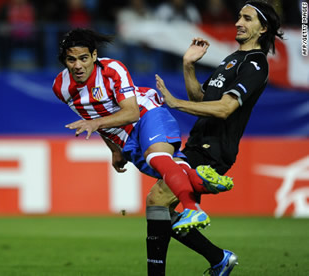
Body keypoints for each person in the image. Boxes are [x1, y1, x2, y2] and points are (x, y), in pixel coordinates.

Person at [51, 28, 233, 235]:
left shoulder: (112, 69)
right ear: (64, 61)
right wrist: (114, 150)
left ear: (94, 55)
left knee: (157, 157)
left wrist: (95, 124)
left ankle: (193, 209)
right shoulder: (61, 87)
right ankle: (200, 180)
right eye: (71, 60)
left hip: (147, 114)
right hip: (126, 141)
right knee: (173, 169)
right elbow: (91, 116)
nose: (78, 66)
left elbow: (131, 113)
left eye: (83, 58)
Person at [150, 1, 284, 275]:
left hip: (214, 149)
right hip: (199, 142)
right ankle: (218, 259)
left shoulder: (256, 65)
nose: (238, 22)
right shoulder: (231, 59)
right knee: (159, 205)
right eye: (238, 16)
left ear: (263, 28)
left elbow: (224, 109)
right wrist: (188, 65)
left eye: (247, 18)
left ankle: (202, 262)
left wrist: (175, 103)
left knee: (160, 197)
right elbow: (202, 99)